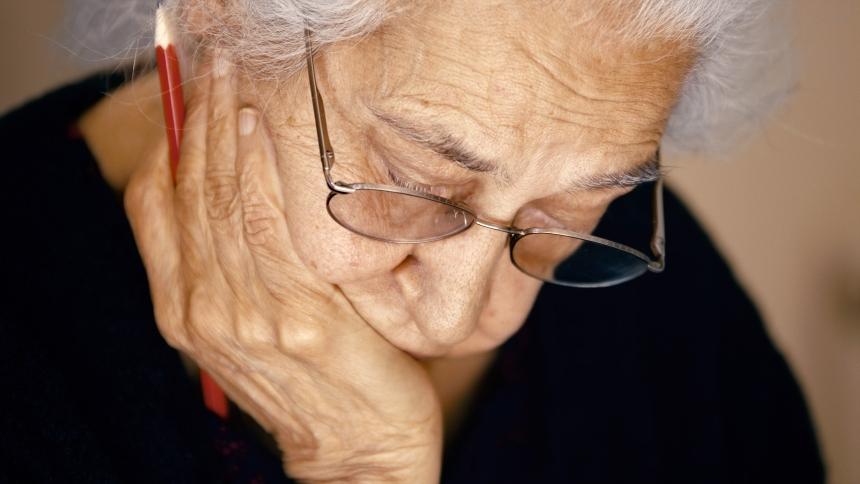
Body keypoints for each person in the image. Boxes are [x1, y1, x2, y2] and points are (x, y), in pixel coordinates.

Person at [0, 1, 824, 482]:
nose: (460, 315)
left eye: (571, 207)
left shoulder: (676, 323)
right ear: (228, 19)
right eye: (414, 182)